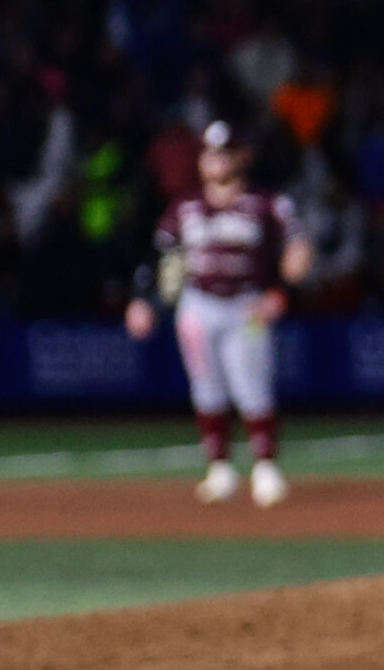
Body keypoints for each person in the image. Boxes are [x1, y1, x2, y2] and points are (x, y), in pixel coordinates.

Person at [125, 121, 314, 507]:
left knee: (252, 384)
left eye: (223, 153)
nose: (214, 161)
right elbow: (159, 258)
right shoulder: (185, 206)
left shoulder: (266, 203)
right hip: (199, 303)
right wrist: (142, 300)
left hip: (246, 303)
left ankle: (265, 467)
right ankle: (220, 469)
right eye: (209, 154)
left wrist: (281, 292)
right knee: (205, 385)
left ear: (241, 157)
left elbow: (299, 250)